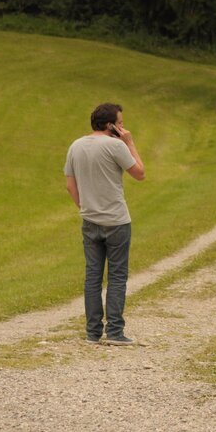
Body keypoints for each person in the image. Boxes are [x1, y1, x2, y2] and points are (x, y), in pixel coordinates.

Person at [64, 103, 145, 345]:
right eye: (120, 123)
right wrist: (130, 142)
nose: (123, 127)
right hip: (117, 221)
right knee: (117, 276)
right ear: (111, 126)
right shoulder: (116, 145)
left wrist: (86, 208)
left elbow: (70, 185)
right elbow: (139, 173)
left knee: (92, 276)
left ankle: (93, 333)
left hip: (90, 220)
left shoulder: (76, 145)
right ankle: (115, 333)